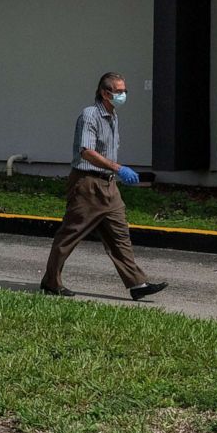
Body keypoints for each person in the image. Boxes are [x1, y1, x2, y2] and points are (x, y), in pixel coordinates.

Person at [41, 72, 168, 301]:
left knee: (120, 235)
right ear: (104, 92)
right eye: (119, 91)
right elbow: (87, 152)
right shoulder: (90, 115)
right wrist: (119, 168)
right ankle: (51, 281)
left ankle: (137, 283)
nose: (123, 95)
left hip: (109, 186)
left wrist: (114, 173)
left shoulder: (114, 115)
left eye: (124, 91)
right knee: (70, 234)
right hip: (87, 183)